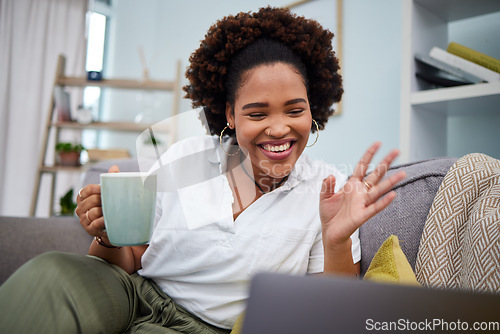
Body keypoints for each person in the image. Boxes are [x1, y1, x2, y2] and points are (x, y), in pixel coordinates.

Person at [0, 6, 405, 333]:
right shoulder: (187, 157)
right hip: (132, 293)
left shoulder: (326, 192)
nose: (279, 127)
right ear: (230, 114)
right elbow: (126, 259)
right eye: (257, 112)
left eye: (294, 110)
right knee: (51, 274)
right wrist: (108, 234)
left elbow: (332, 314)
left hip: (207, 328)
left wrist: (336, 240)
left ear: (312, 111)